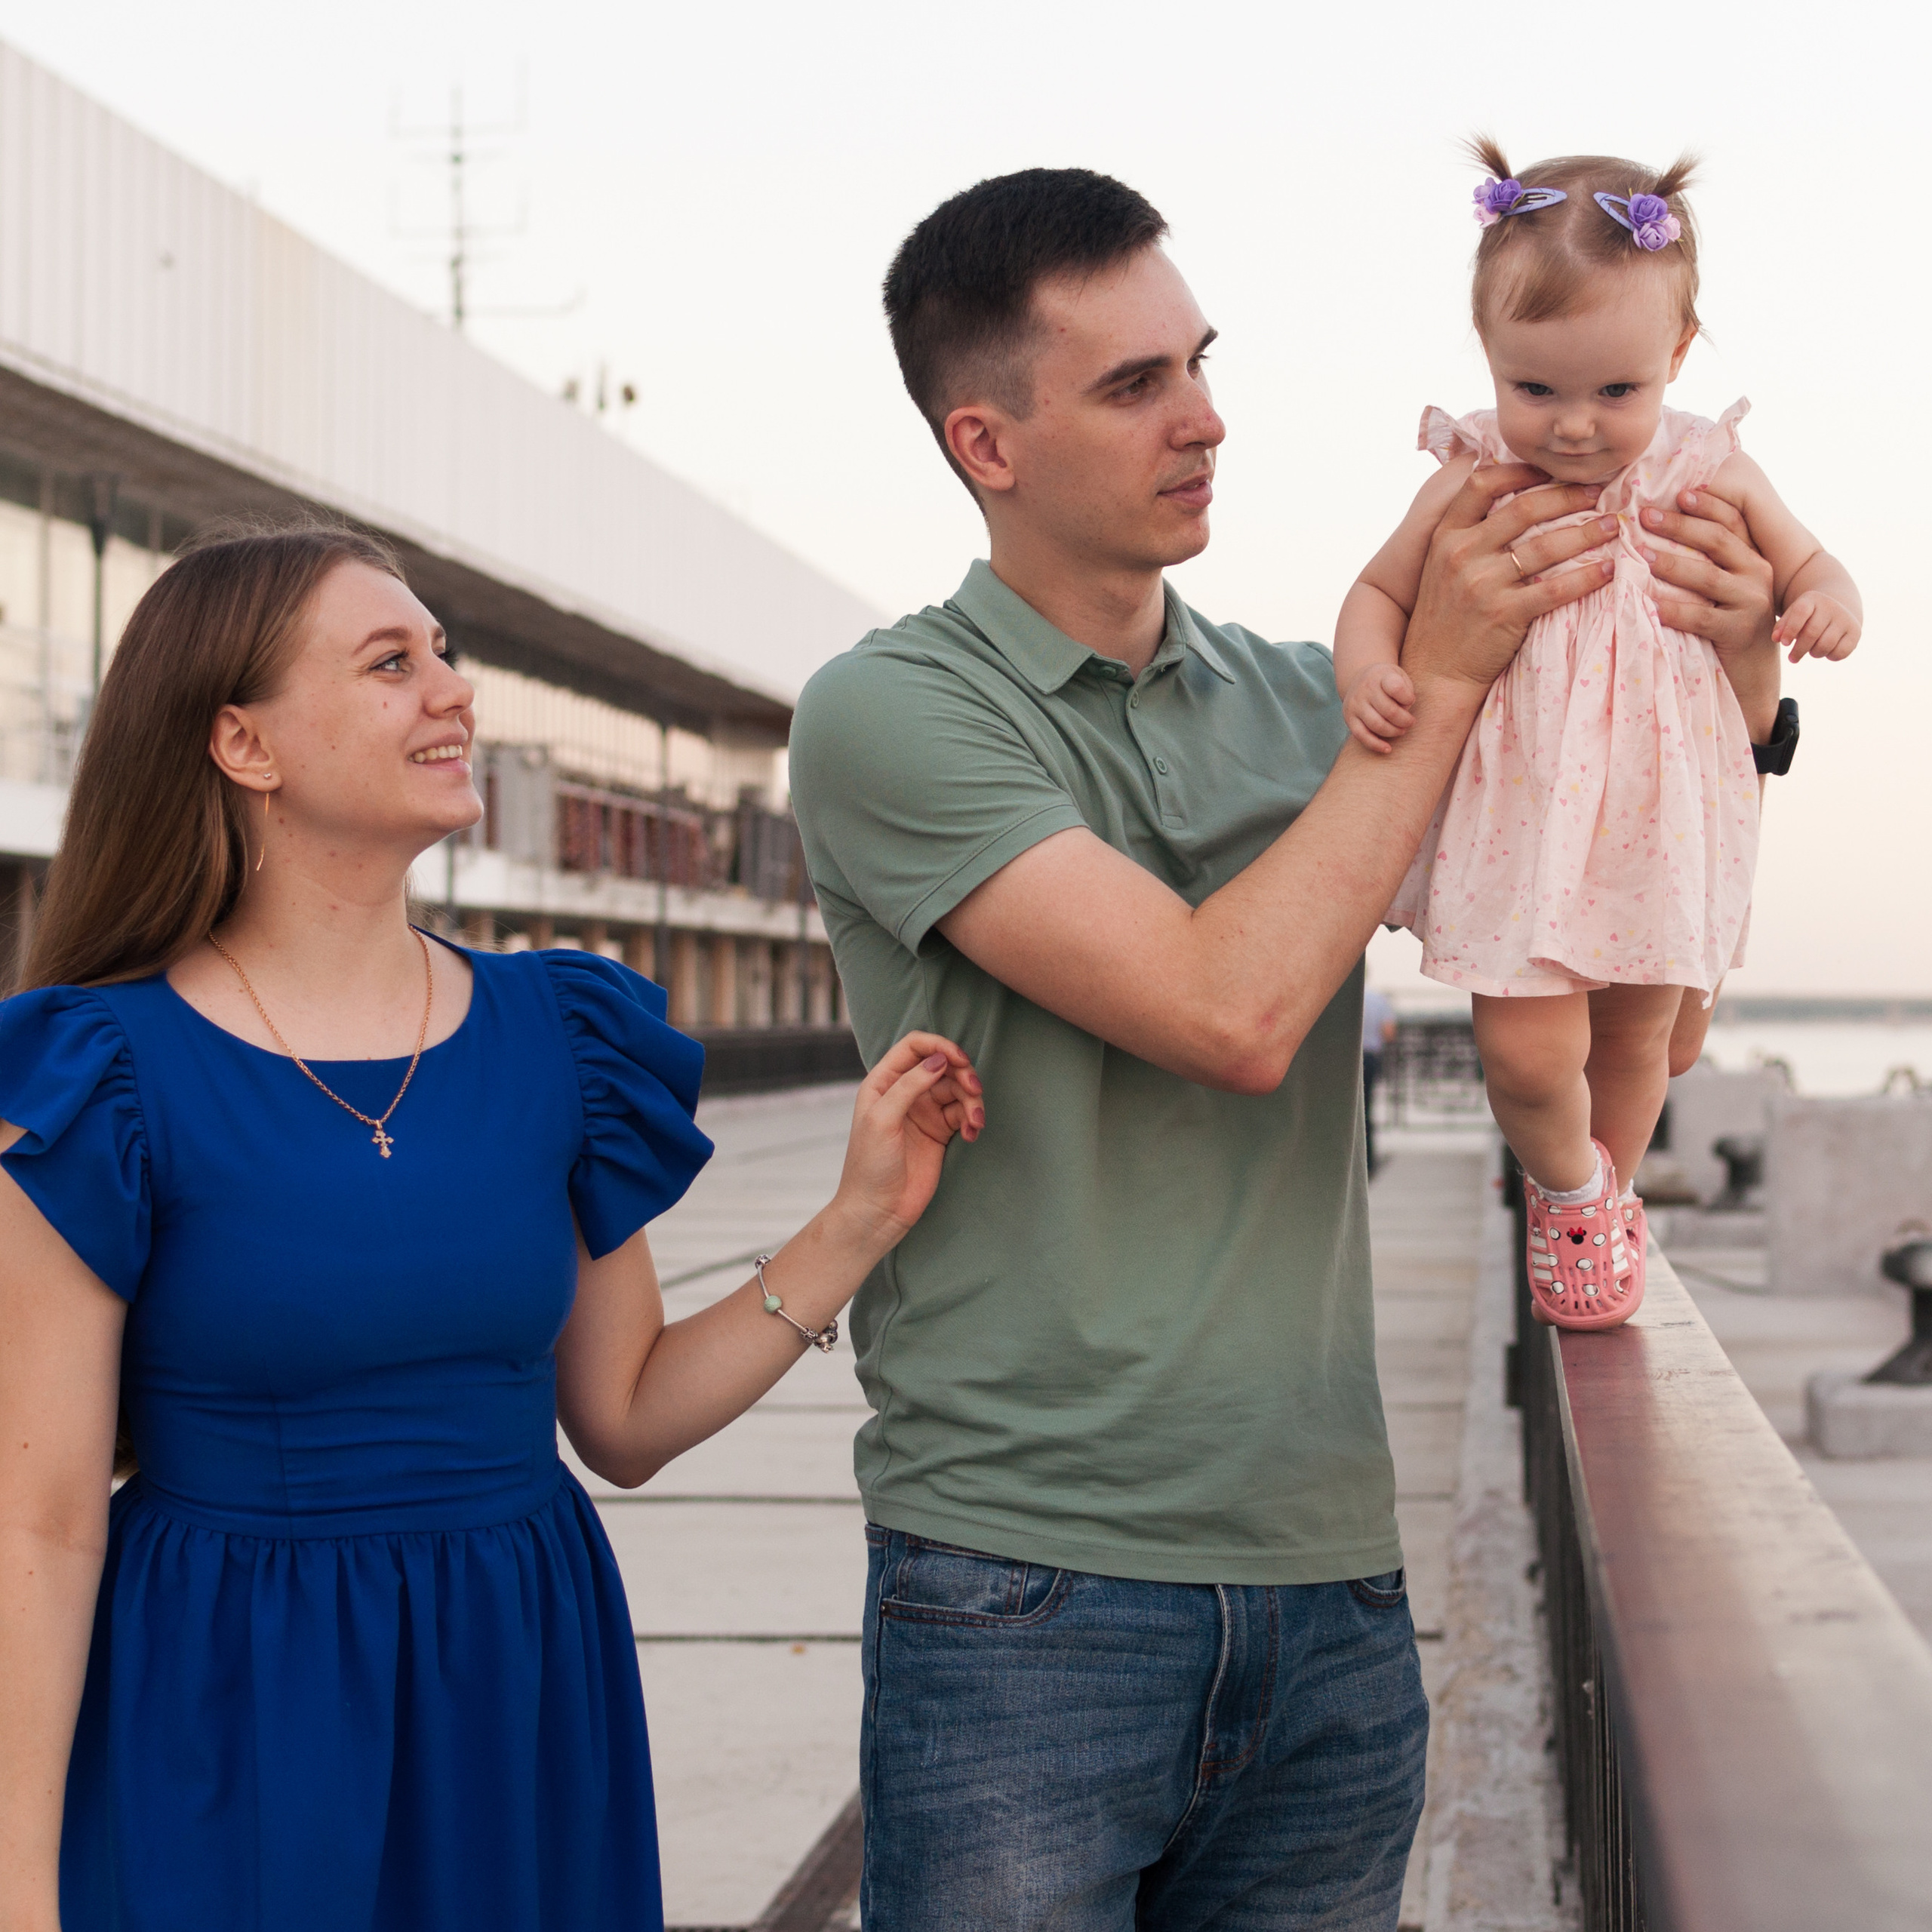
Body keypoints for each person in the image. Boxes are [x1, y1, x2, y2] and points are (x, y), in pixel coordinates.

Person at [786, 168, 1783, 1930]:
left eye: (1199, 359)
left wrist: (1748, 651)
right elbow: (1223, 1012)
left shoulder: (1304, 700)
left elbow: (1618, 826)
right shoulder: (893, 711)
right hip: (1028, 1585)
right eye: (1131, 385)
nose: (1204, 416)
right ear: (985, 442)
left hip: (1326, 1582)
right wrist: (1450, 676)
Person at [0, 526, 982, 1932]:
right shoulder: (96, 1075)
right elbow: (34, 1531)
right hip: (226, 1709)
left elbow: (628, 1415)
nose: (454, 693)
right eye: (391, 663)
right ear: (244, 745)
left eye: (446, 654)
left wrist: (859, 1217)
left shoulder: (559, 1035)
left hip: (516, 1693)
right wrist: (17, 1890)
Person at [1336, 140, 1857, 1331]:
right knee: (1525, 1055)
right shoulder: (1473, 471)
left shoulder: (1707, 464)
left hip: (1661, 816)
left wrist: (1822, 603)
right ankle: (1566, 1187)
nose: (1573, 428)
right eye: (1538, 390)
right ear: (1492, 364)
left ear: (1675, 359)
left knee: (1639, 1042)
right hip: (1523, 821)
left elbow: (1813, 560)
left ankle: (1608, 1194)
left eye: (1615, 393)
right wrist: (1371, 670)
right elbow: (1376, 591)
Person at [1361, 983, 1398, 1176]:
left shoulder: (1337, 998)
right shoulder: (1379, 999)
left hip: (1344, 1057)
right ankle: (1368, 1162)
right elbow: (1389, 1033)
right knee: (1366, 1111)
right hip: (1369, 1058)